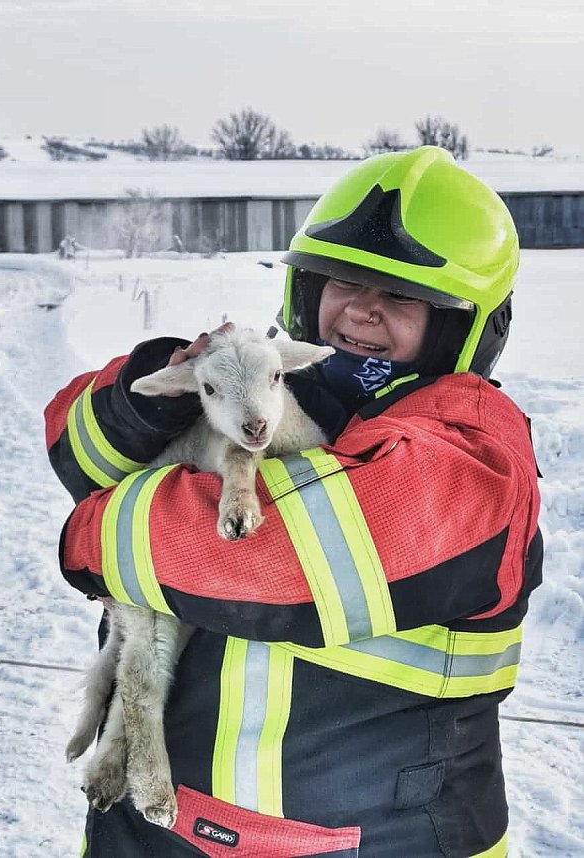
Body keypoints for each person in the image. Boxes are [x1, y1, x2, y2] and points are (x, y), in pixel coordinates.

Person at [45, 146, 542, 858]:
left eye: (403, 296)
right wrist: (158, 392)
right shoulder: (274, 386)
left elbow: (275, 559)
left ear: (465, 324)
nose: (362, 309)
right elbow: (74, 442)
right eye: (341, 281)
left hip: (370, 844)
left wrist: (97, 532)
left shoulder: (473, 451)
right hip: (157, 830)